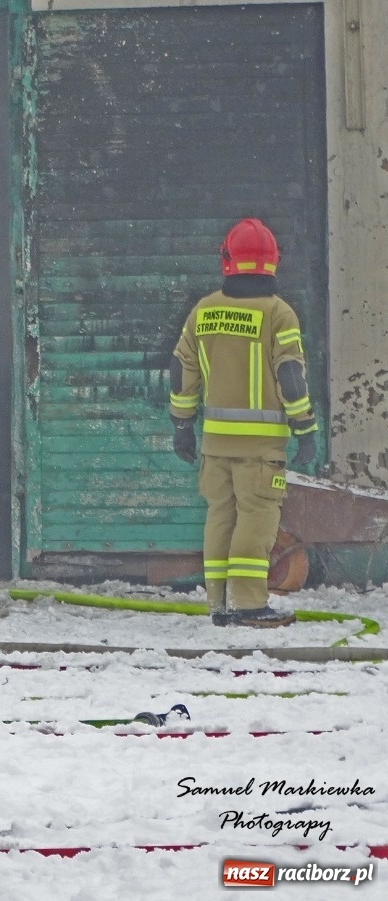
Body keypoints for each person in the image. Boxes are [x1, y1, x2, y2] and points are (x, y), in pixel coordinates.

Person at [169, 218, 317, 628]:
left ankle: (218, 603)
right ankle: (249, 605)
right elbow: (291, 376)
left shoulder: (205, 310)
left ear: (226, 260)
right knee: (257, 520)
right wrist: (305, 429)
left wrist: (182, 425)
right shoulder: (278, 314)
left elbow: (181, 371)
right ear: (273, 262)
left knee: (220, 517)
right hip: (261, 449)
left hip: (215, 444)